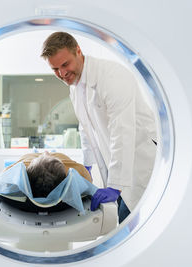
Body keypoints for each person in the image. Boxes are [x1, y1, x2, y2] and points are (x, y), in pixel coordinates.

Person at [41, 32, 157, 223]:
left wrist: (116, 185)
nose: (62, 74)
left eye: (65, 64)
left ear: (78, 51)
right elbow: (85, 127)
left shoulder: (112, 77)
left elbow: (123, 131)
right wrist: (85, 167)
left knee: (130, 225)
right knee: (123, 224)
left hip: (139, 164)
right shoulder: (76, 87)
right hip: (118, 164)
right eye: (55, 69)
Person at [6, 151, 92, 198]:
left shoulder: (20, 167)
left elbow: (3, 177)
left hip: (28, 161)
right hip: (61, 159)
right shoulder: (81, 173)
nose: (45, 152)